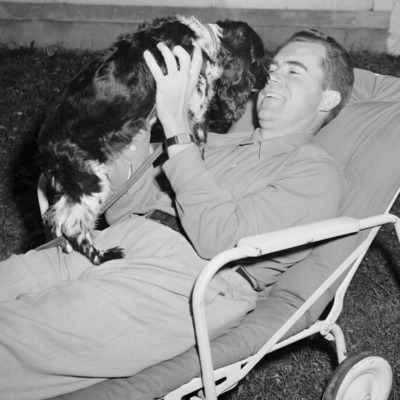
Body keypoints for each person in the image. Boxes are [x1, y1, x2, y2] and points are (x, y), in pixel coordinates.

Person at [0, 29, 353, 400]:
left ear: (328, 98)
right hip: (115, 243)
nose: (272, 76)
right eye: (274, 67)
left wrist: (177, 130)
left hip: (189, 279)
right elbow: (127, 205)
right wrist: (132, 125)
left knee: (14, 341)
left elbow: (219, 239)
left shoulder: (318, 173)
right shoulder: (215, 143)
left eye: (294, 71)